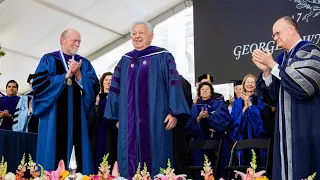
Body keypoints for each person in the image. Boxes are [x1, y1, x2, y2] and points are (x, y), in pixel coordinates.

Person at [104, 21, 190, 179]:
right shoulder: (124, 60)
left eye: (141, 33)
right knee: (128, 163)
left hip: (156, 122)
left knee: (157, 161)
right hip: (128, 125)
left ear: (151, 36)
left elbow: (174, 86)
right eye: (134, 33)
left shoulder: (163, 56)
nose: (137, 36)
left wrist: (174, 113)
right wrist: (116, 117)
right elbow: (114, 91)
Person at [252, 16, 320, 179]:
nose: (275, 38)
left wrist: (274, 66)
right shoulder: (282, 59)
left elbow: (304, 87)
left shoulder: (310, 50)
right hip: (284, 133)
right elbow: (272, 98)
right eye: (273, 35)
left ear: (291, 30)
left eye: (277, 33)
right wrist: (267, 72)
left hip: (306, 128)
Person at [32, 28, 99, 174]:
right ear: (62, 40)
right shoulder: (49, 59)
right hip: (53, 116)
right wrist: (64, 76)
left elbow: (94, 88)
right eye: (74, 40)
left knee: (78, 156)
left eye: (79, 41)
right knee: (52, 154)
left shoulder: (84, 63)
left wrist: (79, 74)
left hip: (77, 117)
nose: (78, 43)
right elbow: (39, 86)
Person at [185, 82, 231, 179]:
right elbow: (188, 127)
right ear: (199, 93)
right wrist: (198, 118)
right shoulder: (194, 107)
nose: (205, 90)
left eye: (207, 89)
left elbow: (225, 122)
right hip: (199, 142)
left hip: (217, 141)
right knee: (200, 169)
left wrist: (209, 116)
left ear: (211, 92)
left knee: (217, 167)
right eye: (202, 89)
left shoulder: (219, 104)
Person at [229, 75, 268, 166]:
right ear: (244, 84)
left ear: (256, 85)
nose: (250, 84)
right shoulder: (237, 102)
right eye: (247, 82)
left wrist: (250, 105)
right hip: (243, 136)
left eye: (252, 82)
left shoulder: (260, 100)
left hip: (257, 137)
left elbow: (262, 119)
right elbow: (234, 121)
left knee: (257, 163)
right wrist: (244, 108)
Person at [94, 72, 118, 172]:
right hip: (99, 128)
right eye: (106, 80)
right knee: (99, 150)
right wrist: (96, 103)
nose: (108, 82)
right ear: (102, 82)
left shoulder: (116, 97)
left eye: (111, 80)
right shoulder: (97, 96)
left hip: (111, 129)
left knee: (111, 150)